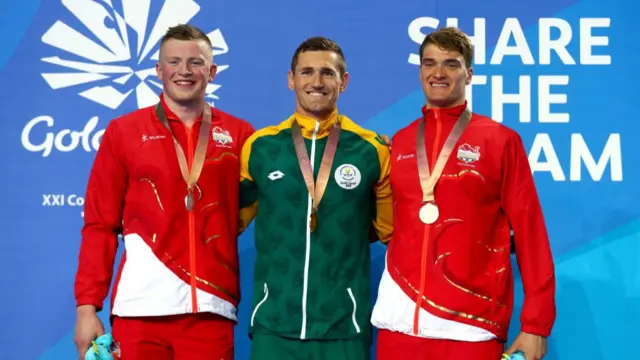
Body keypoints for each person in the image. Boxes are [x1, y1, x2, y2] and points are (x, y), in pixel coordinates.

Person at [370, 27, 556, 360]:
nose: (438, 73)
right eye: (429, 63)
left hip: (471, 326)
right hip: (398, 321)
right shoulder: (398, 143)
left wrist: (536, 325)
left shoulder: (500, 140)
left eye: (450, 64)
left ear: (468, 74)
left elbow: (531, 234)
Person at [73, 24, 255, 360]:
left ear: (212, 72)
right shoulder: (124, 132)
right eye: (174, 62)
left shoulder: (241, 134)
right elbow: (100, 224)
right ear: (158, 70)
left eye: (195, 62)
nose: (184, 71)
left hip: (211, 310)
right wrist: (87, 307)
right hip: (138, 311)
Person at [238, 36, 393, 360]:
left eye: (328, 73)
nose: (317, 82)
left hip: (344, 328)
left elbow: (390, 231)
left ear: (344, 81)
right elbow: (226, 221)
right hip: (274, 326)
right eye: (307, 72)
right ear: (291, 79)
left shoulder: (371, 150)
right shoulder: (261, 147)